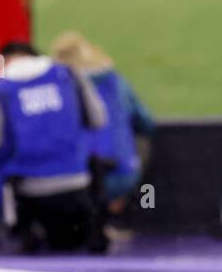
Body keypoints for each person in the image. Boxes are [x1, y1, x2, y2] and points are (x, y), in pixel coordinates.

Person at [0, 41, 108, 252]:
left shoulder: (0, 89)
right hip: (78, 187)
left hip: (29, 198)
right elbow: (98, 119)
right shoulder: (69, 76)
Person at [50, 32, 155, 235]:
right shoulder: (115, 81)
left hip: (66, 179)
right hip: (119, 175)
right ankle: (113, 209)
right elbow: (146, 123)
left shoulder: (57, 87)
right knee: (139, 142)